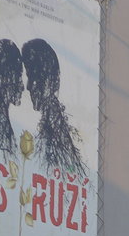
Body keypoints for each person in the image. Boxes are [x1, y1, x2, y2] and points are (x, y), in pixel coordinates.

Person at [21, 38, 86, 177]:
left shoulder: (52, 123)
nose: (28, 86)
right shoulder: (52, 119)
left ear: (48, 78)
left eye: (32, 76)